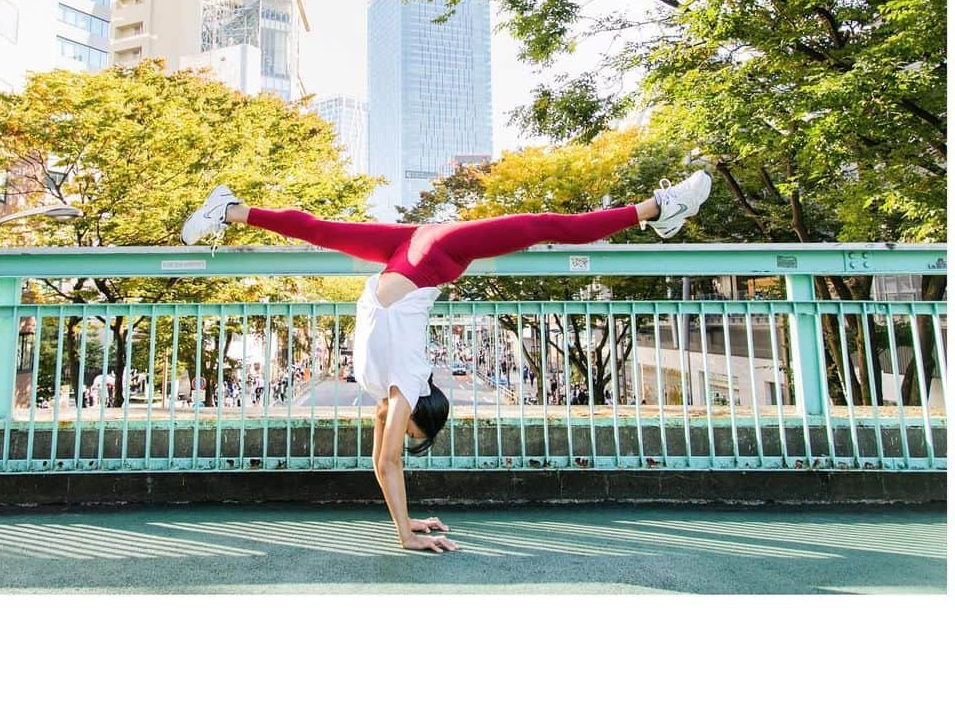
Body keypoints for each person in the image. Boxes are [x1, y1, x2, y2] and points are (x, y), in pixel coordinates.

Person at [181, 170, 712, 553]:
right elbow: (390, 462)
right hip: (431, 256)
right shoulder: (406, 385)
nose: (397, 436)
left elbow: (378, 464)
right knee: (548, 224)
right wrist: (404, 534)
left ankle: (228, 209)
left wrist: (407, 520)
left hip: (410, 254)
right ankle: (659, 208)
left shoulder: (380, 394)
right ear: (418, 414)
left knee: (321, 230)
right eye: (410, 434)